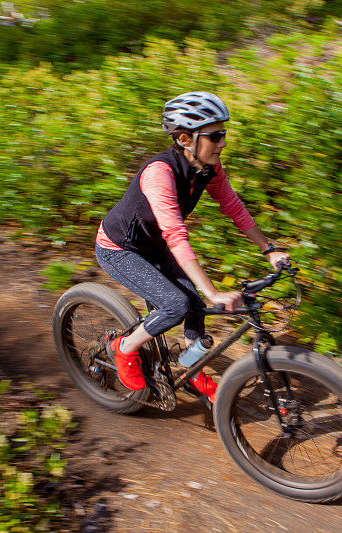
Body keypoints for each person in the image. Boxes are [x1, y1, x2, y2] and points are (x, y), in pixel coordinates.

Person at [95, 91, 290, 402]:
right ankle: (124, 348)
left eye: (223, 133)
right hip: (121, 249)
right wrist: (214, 291)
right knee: (176, 304)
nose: (223, 142)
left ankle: (191, 370)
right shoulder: (160, 173)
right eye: (215, 136)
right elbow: (176, 235)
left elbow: (233, 206)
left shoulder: (208, 167)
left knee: (194, 304)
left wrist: (269, 249)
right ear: (185, 139)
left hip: (156, 246)